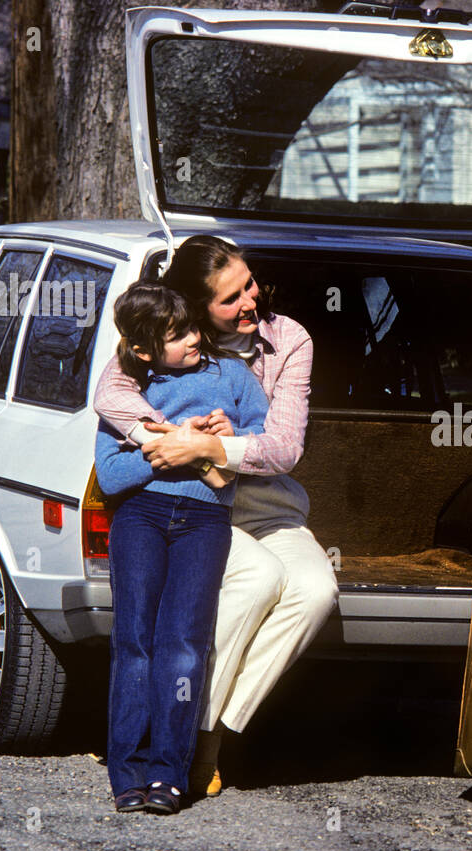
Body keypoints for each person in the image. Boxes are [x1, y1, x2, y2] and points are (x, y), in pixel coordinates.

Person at [93, 235, 339, 799]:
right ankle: (184, 745)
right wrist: (173, 437)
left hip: (268, 505)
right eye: (231, 299)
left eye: (249, 284)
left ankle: (210, 727)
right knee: (259, 581)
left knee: (315, 588)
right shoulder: (166, 334)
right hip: (198, 508)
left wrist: (209, 449)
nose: (251, 302)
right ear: (195, 309)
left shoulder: (289, 338)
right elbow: (111, 394)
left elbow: (283, 449)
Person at [94, 282, 269, 814]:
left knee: (185, 644)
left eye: (193, 325)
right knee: (136, 643)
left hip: (204, 522)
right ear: (145, 350)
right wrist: (171, 451)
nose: (196, 337)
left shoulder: (234, 377)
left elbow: (258, 449)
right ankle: (128, 772)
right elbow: (110, 470)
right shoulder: (130, 386)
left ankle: (171, 773)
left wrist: (222, 438)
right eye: (179, 335)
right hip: (140, 517)